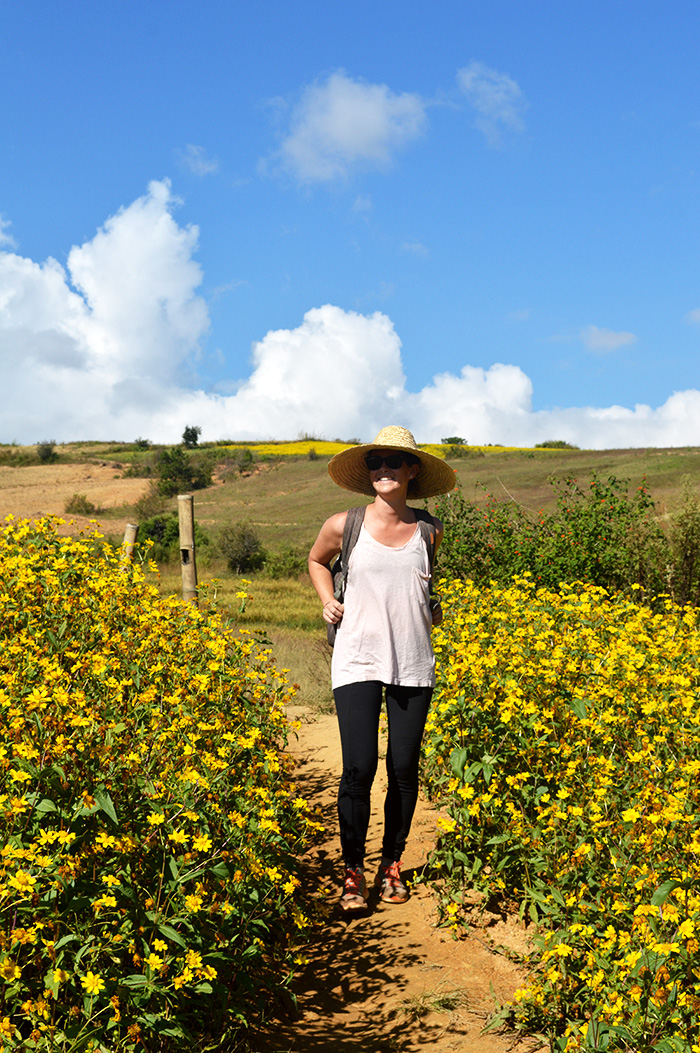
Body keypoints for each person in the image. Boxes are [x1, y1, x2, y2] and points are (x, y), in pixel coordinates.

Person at [308, 426, 456, 913]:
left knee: (403, 768)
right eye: (376, 462)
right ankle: (353, 871)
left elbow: (421, 586)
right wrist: (328, 599)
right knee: (357, 769)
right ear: (367, 472)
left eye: (394, 462)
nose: (384, 470)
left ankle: (391, 863)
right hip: (356, 659)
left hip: (413, 661)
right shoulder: (343, 524)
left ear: (413, 470)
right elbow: (316, 560)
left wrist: (431, 607)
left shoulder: (430, 530)